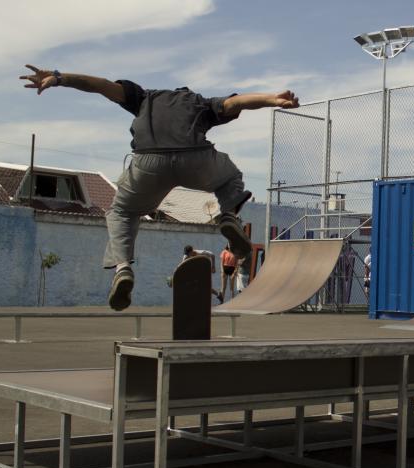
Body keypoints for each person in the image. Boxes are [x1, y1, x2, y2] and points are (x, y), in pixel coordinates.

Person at [20, 65, 299, 310]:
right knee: (230, 177)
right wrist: (272, 99)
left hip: (148, 164)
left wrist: (58, 78)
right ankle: (227, 215)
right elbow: (234, 103)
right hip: (196, 159)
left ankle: (123, 268)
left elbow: (101, 86)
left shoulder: (143, 97)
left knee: (122, 212)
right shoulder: (200, 102)